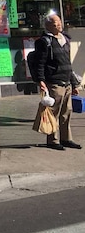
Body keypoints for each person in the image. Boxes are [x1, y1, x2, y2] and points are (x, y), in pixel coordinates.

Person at [34, 13, 81, 150]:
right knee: (53, 112)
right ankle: (53, 140)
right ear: (48, 25)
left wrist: (74, 84)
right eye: (55, 23)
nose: (59, 25)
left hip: (66, 81)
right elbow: (40, 63)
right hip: (54, 82)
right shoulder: (44, 42)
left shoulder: (65, 39)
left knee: (67, 112)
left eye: (59, 22)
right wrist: (41, 81)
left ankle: (66, 139)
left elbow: (68, 63)